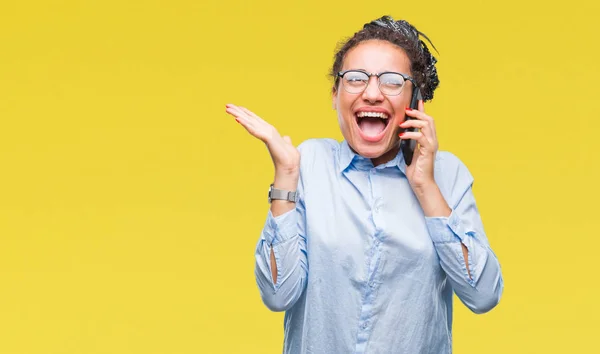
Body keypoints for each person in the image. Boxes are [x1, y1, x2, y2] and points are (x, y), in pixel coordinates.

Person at [225, 15, 503, 354]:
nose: (372, 93)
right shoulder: (308, 164)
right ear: (335, 94)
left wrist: (426, 187)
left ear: (415, 102)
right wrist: (285, 176)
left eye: (391, 81)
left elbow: (483, 295)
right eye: (355, 79)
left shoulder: (448, 175)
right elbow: (277, 295)